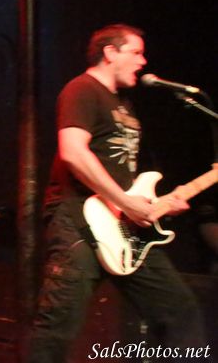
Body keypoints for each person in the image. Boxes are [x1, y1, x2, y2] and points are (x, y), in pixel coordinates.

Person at [26, 24, 207, 362]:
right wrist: (125, 202)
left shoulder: (124, 104)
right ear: (110, 52)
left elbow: (124, 176)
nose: (143, 61)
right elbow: (73, 152)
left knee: (179, 311)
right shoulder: (82, 89)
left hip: (125, 227)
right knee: (58, 324)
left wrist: (156, 205)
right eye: (136, 52)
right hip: (77, 218)